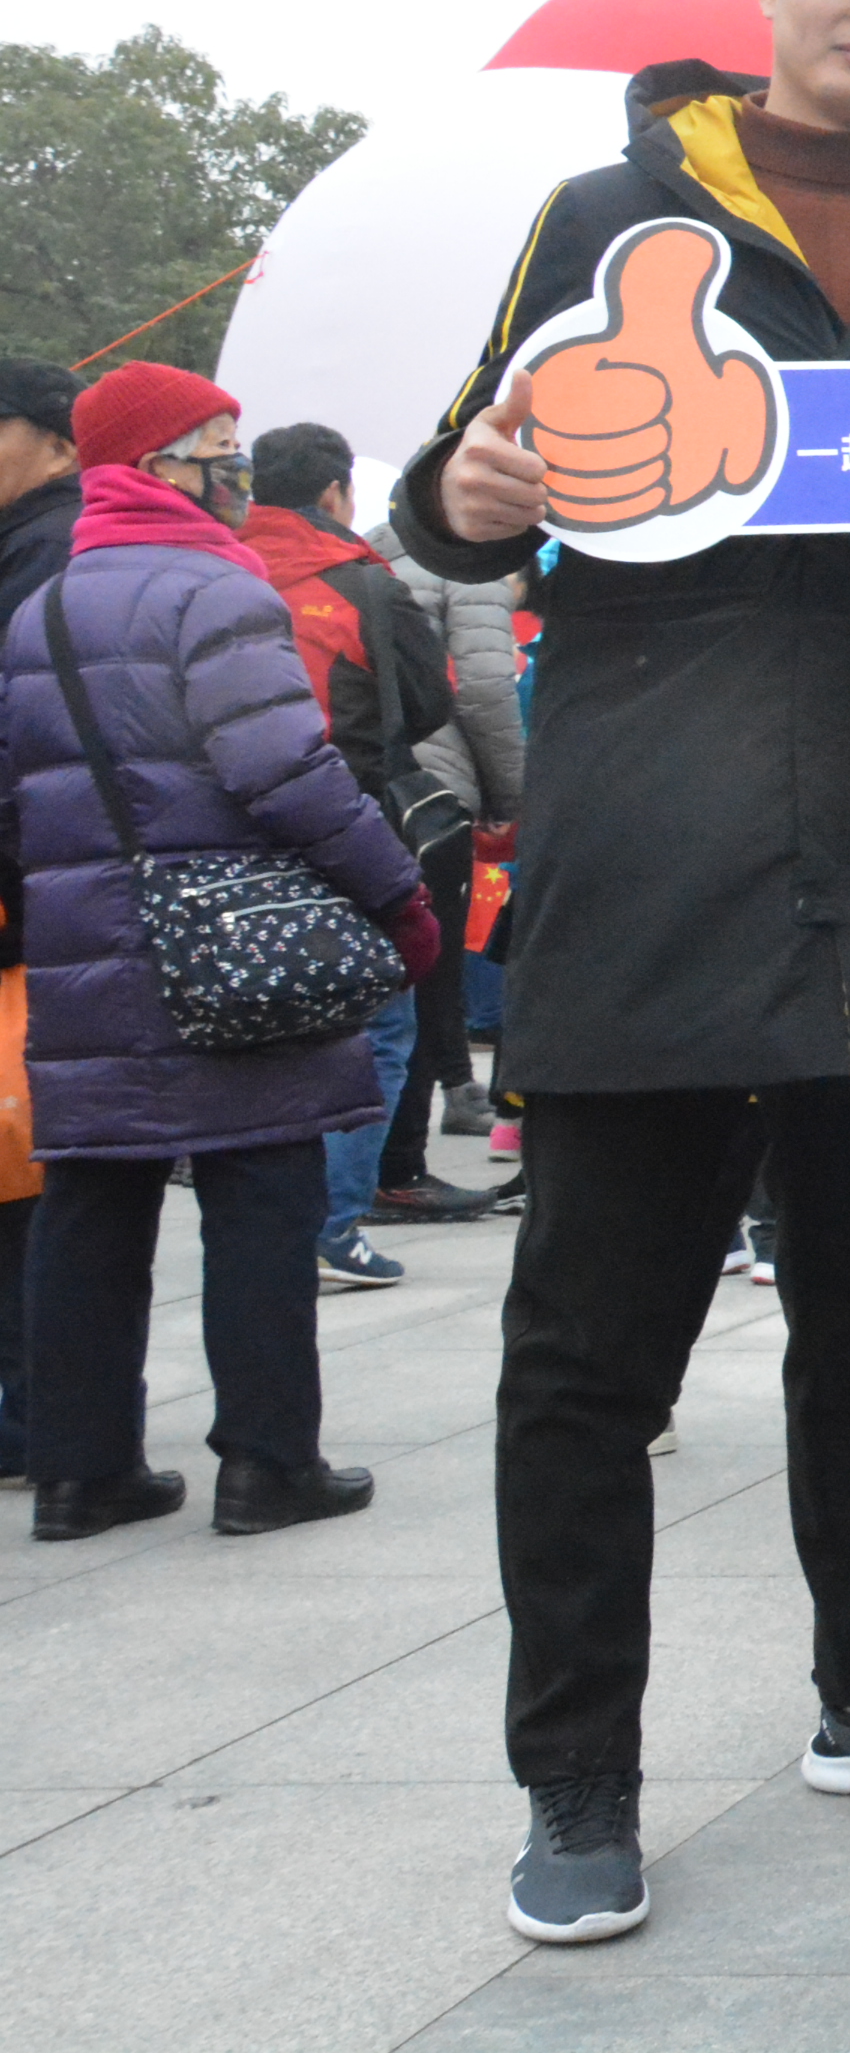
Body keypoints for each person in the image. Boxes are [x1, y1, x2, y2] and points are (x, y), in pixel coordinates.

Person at [398, 0, 850, 1947]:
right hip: (653, 838)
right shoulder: (610, 215)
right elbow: (467, 485)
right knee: (588, 1352)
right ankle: (576, 1778)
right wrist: (472, 489)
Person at [4, 363, 435, 1545]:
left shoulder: (45, 605)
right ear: (157, 466)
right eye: (218, 450)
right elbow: (285, 771)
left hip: (84, 951)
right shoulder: (213, 589)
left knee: (93, 1201)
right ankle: (267, 1464)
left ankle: (80, 1475)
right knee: (259, 1190)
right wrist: (394, 892)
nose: (237, 472)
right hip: (228, 945)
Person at [236, 423, 464, 1284]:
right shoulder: (366, 585)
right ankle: (331, 1225)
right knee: (379, 1024)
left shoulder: (214, 571)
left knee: (251, 1028)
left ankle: (259, 1225)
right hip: (344, 824)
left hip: (222, 836)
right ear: (337, 493)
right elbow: (430, 702)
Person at [359, 495, 526, 1180]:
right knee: (434, 959)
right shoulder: (471, 567)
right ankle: (404, 1163)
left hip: (356, 779)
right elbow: (485, 689)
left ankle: (432, 1103)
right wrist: (512, 796)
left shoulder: (367, 553)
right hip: (434, 792)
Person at [0, 356, 79, 1486]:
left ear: (59, 441)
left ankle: (36, 1405)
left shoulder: (51, 553)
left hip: (35, 904)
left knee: (26, 1162)